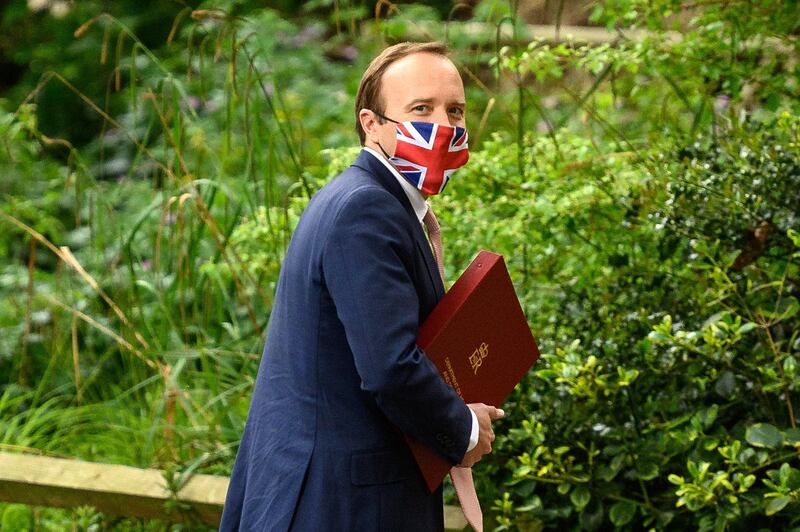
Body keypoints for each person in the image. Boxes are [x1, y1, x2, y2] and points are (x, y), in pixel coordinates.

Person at [219, 41, 504, 532]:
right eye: (421, 108)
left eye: (454, 110)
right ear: (371, 124)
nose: (444, 126)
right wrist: (463, 429)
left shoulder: (368, 200)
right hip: (339, 505)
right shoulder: (365, 210)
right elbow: (389, 367)